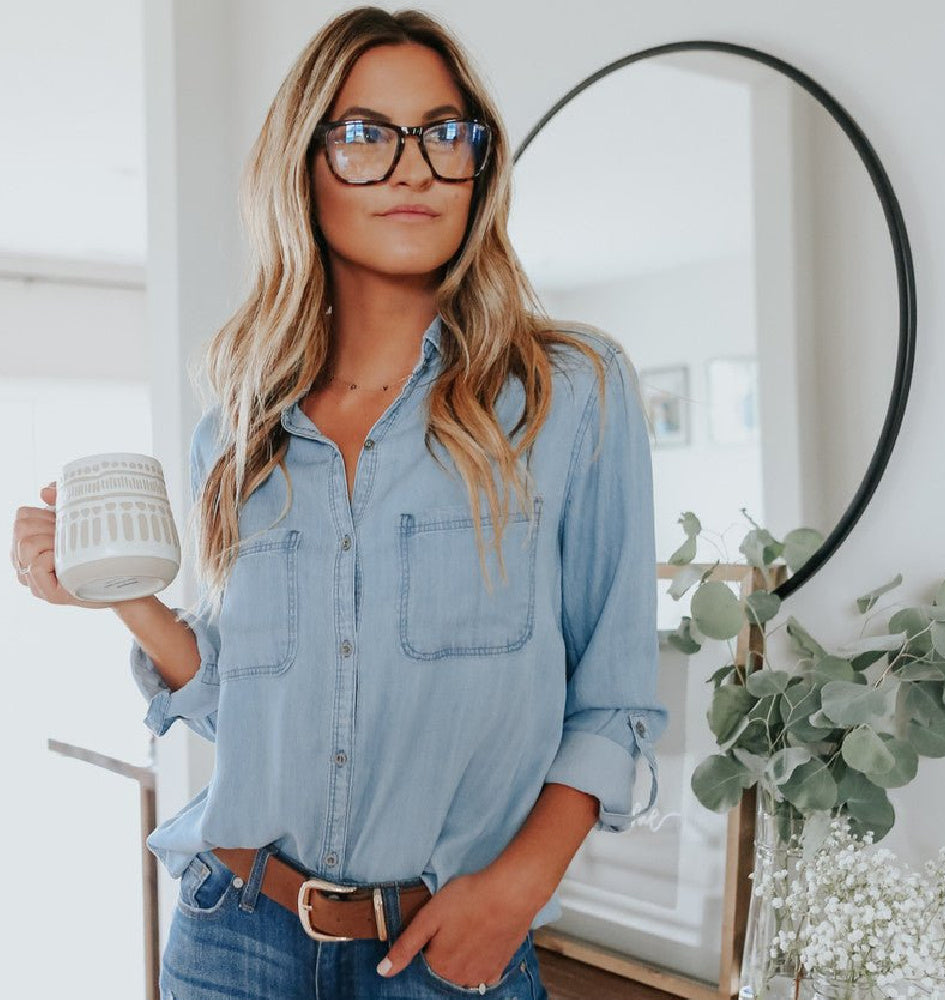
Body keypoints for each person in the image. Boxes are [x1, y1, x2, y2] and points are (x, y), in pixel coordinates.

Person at [10, 6, 667, 999]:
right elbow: (247, 707)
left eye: (444, 133)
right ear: (302, 168)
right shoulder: (236, 431)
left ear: (476, 167)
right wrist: (116, 590)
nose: (412, 167)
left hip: (445, 954)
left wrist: (510, 897)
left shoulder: (571, 391)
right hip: (231, 936)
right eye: (365, 135)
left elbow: (612, 699)